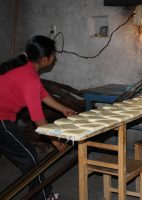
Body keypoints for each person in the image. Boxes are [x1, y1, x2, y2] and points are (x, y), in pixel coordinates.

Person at [0, 35, 77, 200]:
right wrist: (54, 138)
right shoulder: (29, 78)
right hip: (1, 119)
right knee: (30, 157)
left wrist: (63, 109)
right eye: (53, 55)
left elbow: (42, 94)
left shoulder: (26, 67)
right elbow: (37, 117)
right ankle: (43, 196)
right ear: (44, 58)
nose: (55, 58)